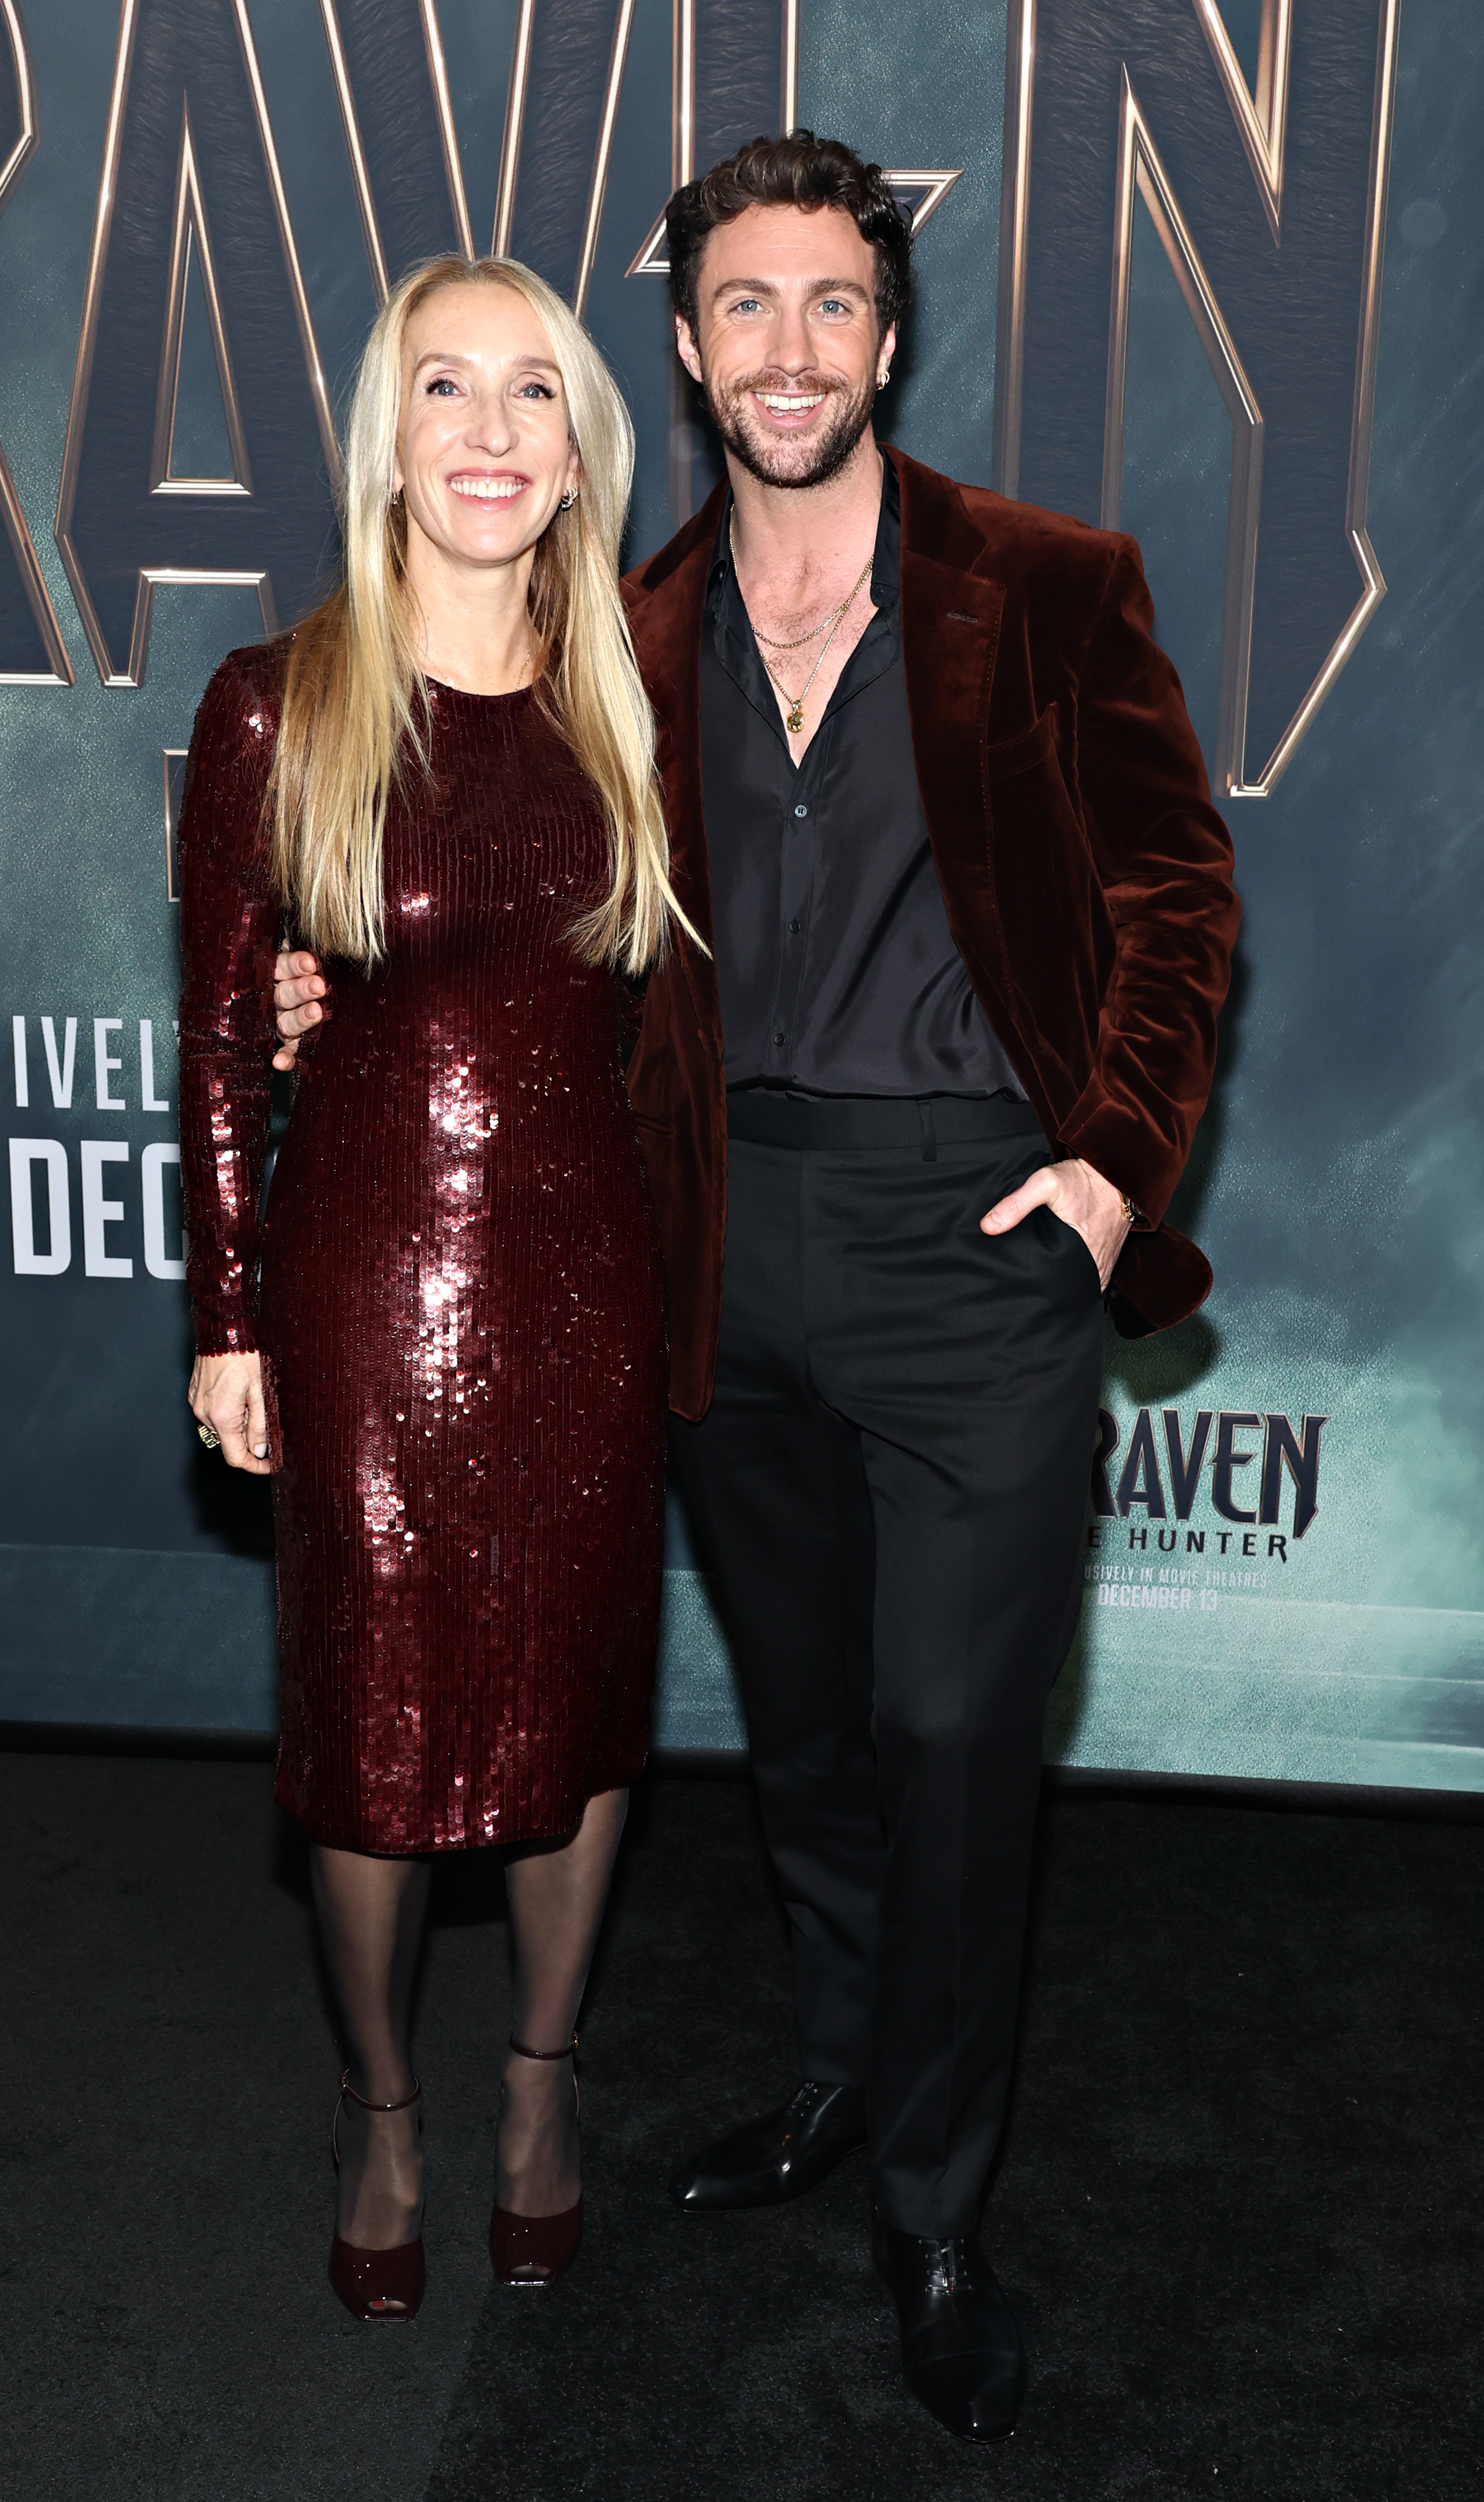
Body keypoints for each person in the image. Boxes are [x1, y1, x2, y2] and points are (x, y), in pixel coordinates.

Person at [274, 133, 1239, 2437]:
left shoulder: (1050, 585)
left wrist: (1108, 1174)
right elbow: (517, 926)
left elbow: (1179, 901)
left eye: (833, 305)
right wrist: (345, 1006)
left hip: (980, 1240)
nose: (790, 348)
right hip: (711, 1247)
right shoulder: (640, 630)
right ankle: (831, 2081)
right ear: (687, 353)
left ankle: (933, 2208)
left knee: (951, 1737)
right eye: (743, 308)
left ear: (887, 339)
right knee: (801, 1740)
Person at [180, 251, 688, 2324]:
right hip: (362, 1285)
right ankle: (383, 2106)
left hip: (587, 1278)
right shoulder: (276, 702)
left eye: (533, 395)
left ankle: (536, 2090)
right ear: (386, 432)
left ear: (580, 446)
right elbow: (220, 1036)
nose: (490, 434)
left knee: (575, 1722)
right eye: (446, 389)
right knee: (369, 1744)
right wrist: (225, 1314)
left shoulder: (639, 687)